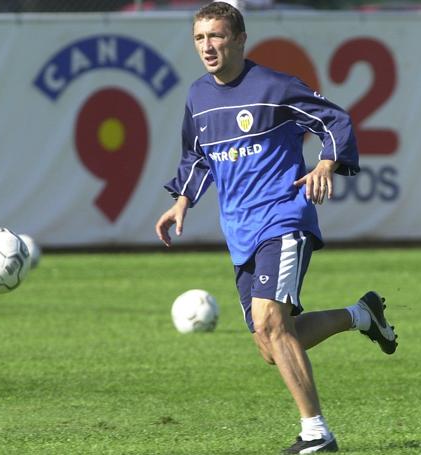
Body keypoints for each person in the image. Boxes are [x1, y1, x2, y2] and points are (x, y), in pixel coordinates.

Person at [155, 2, 398, 453]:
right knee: (272, 345)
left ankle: (316, 433)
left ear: (240, 39)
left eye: (217, 36)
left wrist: (327, 159)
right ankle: (360, 314)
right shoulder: (198, 96)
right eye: (199, 38)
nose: (207, 46)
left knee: (271, 321)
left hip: (284, 219)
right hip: (240, 232)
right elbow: (196, 156)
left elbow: (335, 120)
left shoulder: (275, 86)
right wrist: (183, 200)